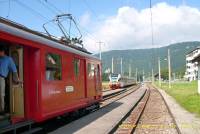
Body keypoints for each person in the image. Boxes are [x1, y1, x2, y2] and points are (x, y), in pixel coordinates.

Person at [0, 45, 21, 114]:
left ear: (3, 52)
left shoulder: (9, 59)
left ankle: (1, 110)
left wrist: (17, 80)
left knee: (1, 94)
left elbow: (14, 70)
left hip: (1, 78)